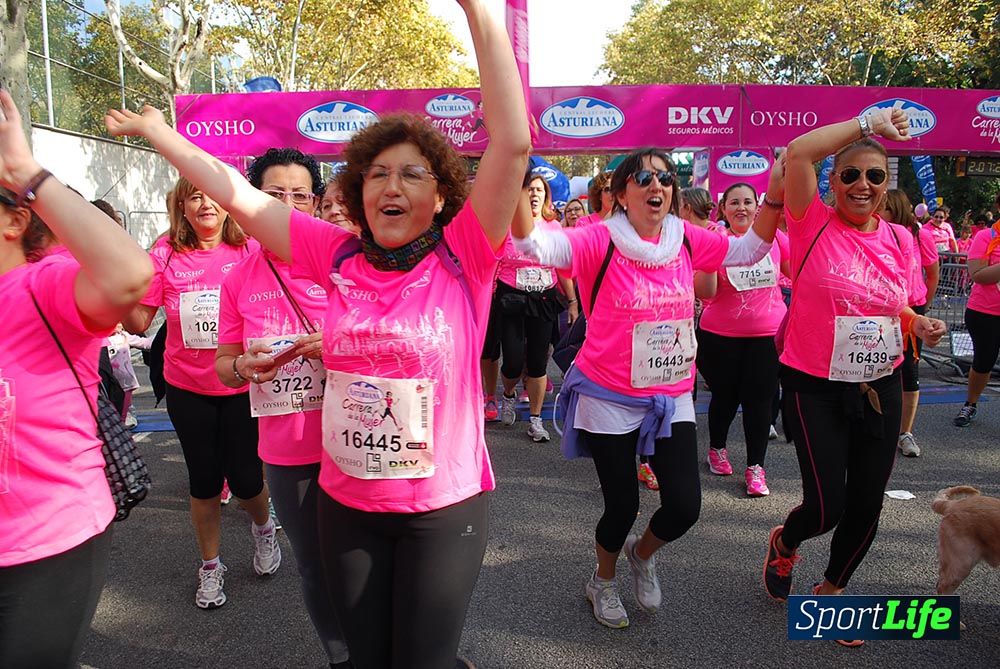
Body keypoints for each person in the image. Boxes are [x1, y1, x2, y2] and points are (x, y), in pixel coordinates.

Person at [106, 1, 530, 665]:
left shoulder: (464, 255)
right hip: (347, 501)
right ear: (359, 194)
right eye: (377, 174)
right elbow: (239, 195)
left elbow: (512, 144)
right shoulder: (335, 254)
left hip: (441, 507)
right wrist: (161, 133)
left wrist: (478, 12)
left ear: (442, 196)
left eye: (411, 173)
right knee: (363, 657)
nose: (391, 185)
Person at [513, 147, 781, 629]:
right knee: (623, 505)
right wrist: (515, 173)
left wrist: (777, 194)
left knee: (684, 506)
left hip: (670, 394)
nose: (656, 185)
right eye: (642, 178)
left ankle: (642, 553)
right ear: (621, 194)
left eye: (665, 177)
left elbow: (748, 251)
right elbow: (535, 247)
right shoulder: (600, 239)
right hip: (609, 395)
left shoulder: (686, 238)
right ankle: (603, 581)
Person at [760, 109, 946, 646]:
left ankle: (833, 591)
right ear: (833, 182)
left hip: (880, 384)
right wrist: (870, 124)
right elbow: (799, 152)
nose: (862, 185)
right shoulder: (811, 221)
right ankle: (786, 541)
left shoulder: (900, 239)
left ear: (887, 186)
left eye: (874, 176)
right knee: (826, 507)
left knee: (867, 502)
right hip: (813, 384)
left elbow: (896, 306)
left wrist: (918, 323)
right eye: (850, 174)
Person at [0, 90, 153, 667]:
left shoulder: (44, 286)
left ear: (16, 220)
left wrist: (27, 173)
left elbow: (129, 275)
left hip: (45, 543)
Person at [215, 147, 350, 667]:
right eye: (275, 195)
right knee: (313, 565)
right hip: (288, 449)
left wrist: (336, 344)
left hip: (356, 438)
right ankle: (342, 658)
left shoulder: (347, 264)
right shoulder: (238, 278)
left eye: (301, 195)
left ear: (316, 203)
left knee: (365, 560)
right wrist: (242, 366)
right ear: (252, 202)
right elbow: (223, 366)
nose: (288, 206)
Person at [122, 175, 278, 610]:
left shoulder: (249, 248)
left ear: (227, 204)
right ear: (182, 207)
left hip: (241, 384)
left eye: (212, 195)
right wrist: (117, 284)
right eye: (194, 197)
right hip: (187, 386)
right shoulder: (165, 252)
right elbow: (138, 321)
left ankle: (264, 528)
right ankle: (210, 564)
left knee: (246, 480)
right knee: (204, 480)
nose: (205, 203)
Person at [697, 182, 790, 495]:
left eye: (747, 202)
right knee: (725, 396)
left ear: (757, 207)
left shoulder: (775, 239)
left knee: (760, 401)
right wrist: (710, 259)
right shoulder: (717, 241)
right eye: (734, 202)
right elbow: (705, 292)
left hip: (767, 335)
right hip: (720, 336)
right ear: (723, 209)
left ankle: (755, 468)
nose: (741, 208)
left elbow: (797, 272)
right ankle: (717, 448)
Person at [484, 171, 575, 442]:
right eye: (529, 190)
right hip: (511, 296)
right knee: (512, 361)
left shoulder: (554, 227)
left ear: (546, 197)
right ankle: (508, 394)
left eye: (539, 190)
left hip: (543, 298)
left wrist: (572, 301)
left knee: (538, 362)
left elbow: (562, 267)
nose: (534, 194)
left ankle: (536, 420)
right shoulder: (506, 225)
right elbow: (492, 262)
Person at [881, 189, 939, 457]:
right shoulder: (875, 231)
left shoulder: (919, 234)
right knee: (880, 369)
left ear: (896, 209)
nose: (878, 212)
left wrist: (922, 307)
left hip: (912, 311)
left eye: (884, 208)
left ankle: (905, 433)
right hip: (882, 311)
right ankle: (881, 427)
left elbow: (932, 273)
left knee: (909, 372)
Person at [953, 215, 1000, 427]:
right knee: (983, 361)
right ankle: (970, 403)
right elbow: (977, 274)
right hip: (985, 312)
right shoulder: (987, 236)